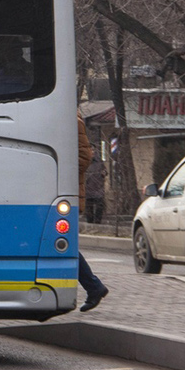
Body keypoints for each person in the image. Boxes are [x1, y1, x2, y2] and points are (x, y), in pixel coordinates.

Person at [78, 113, 109, 311]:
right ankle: (94, 287)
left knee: (62, 245)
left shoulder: (73, 121)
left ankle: (94, 287)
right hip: (54, 192)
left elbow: (83, 158)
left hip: (62, 192)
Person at [84, 155, 106, 224]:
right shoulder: (85, 161)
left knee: (99, 205)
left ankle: (97, 221)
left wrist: (103, 173)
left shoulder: (99, 162)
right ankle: (90, 221)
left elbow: (105, 172)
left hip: (98, 188)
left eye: (93, 150)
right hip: (88, 188)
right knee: (89, 206)